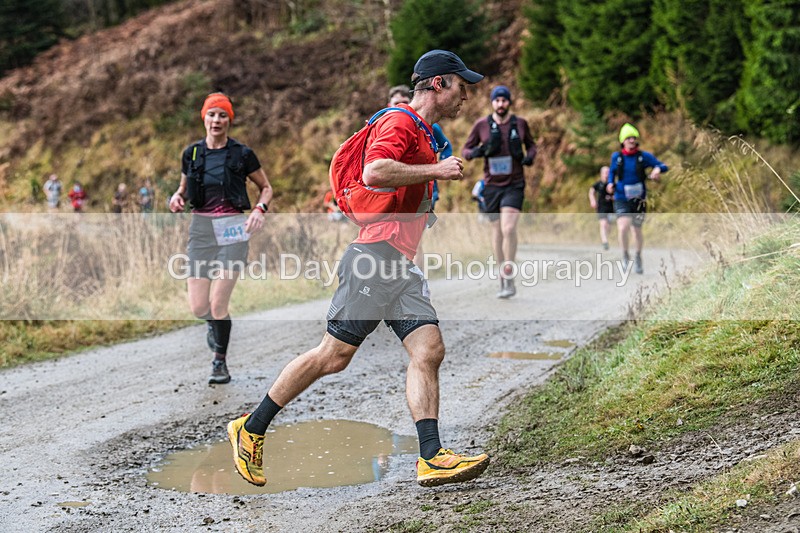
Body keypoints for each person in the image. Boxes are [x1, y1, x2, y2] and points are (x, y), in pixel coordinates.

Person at [227, 50, 489, 489]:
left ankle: (431, 457)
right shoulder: (400, 122)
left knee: (429, 350)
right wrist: (436, 170)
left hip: (398, 264)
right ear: (439, 84)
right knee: (332, 356)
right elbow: (375, 170)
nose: (466, 97)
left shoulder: (424, 132)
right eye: (462, 86)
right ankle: (250, 429)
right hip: (373, 259)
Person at [169, 93, 273, 384]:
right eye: (212, 114)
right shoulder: (191, 153)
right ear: (204, 117)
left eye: (222, 115)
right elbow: (183, 188)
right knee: (199, 308)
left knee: (217, 305)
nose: (217, 120)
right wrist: (176, 197)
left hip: (233, 230)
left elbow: (266, 187)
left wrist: (259, 210)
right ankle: (214, 327)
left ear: (230, 119)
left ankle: (219, 362)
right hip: (201, 230)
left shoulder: (242, 154)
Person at [463, 85, 536, 299]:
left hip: (514, 183)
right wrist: (476, 152)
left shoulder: (520, 124)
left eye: (504, 100)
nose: (501, 104)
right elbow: (466, 151)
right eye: (497, 100)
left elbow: (532, 146)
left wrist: (530, 156)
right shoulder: (481, 125)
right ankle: (503, 277)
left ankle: (509, 273)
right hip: (492, 185)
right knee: (497, 231)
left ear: (509, 102)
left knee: (509, 228)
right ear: (492, 103)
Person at [388, 85, 452, 263]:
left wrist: (440, 166)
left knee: (414, 240)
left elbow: (447, 147)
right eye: (396, 103)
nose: (400, 106)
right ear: (389, 104)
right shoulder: (388, 127)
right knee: (395, 239)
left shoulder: (428, 125)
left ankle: (418, 288)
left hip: (425, 192)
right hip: (395, 193)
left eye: (404, 102)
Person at [606, 123, 668, 274]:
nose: (632, 140)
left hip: (639, 199)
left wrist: (657, 169)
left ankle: (638, 257)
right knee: (623, 227)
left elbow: (663, 165)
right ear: (623, 141)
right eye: (628, 138)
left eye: (634, 137)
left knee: (637, 230)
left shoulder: (643, 156)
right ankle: (625, 255)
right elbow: (611, 173)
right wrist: (609, 184)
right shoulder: (617, 157)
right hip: (621, 196)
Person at [589, 166, 614, 250]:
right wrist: (592, 200)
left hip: (612, 207)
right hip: (601, 207)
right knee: (603, 224)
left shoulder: (613, 184)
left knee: (609, 226)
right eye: (605, 172)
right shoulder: (598, 184)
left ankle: (606, 237)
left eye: (608, 172)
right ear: (601, 174)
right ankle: (605, 242)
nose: (607, 174)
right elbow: (591, 191)